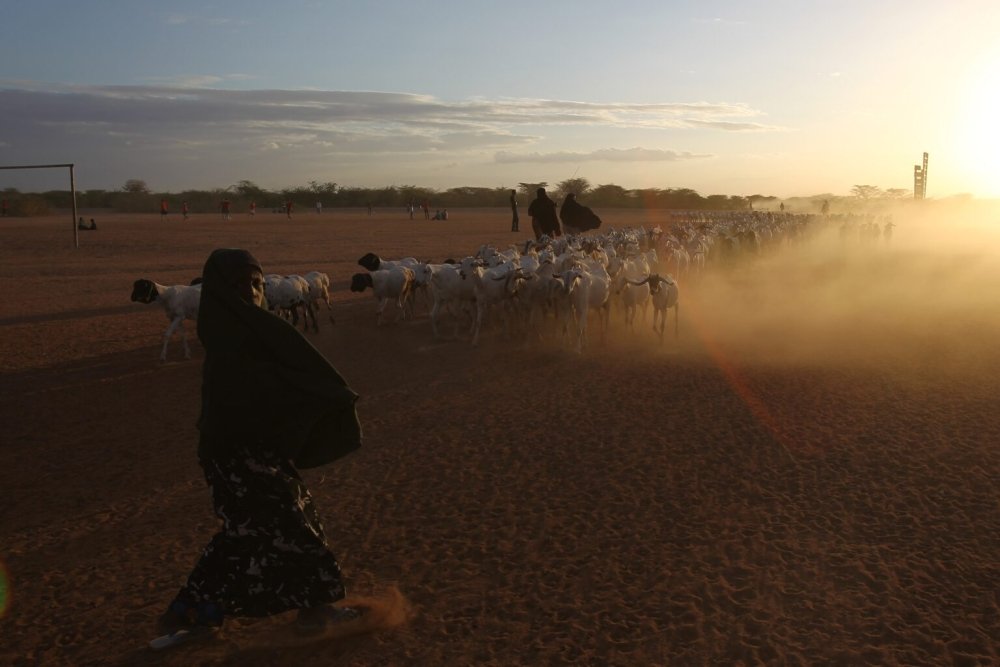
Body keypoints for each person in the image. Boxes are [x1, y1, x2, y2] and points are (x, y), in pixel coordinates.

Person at [157, 248, 364, 640]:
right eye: (241, 285)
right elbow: (259, 389)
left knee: (244, 533)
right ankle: (315, 612)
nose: (253, 292)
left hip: (252, 449)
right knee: (292, 524)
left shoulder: (250, 328)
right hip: (235, 452)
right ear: (221, 292)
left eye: (257, 283)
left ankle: (195, 614)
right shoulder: (232, 335)